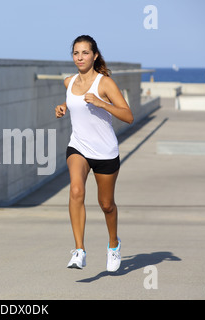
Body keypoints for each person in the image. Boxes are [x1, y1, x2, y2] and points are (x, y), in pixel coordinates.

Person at [55, 35, 133, 272]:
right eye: (76, 53)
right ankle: (79, 251)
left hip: (105, 151)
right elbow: (75, 102)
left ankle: (113, 244)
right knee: (76, 190)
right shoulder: (69, 82)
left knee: (106, 204)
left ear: (94, 55)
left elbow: (128, 116)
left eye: (85, 53)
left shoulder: (105, 83)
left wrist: (102, 104)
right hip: (78, 146)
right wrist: (63, 107)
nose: (80, 57)